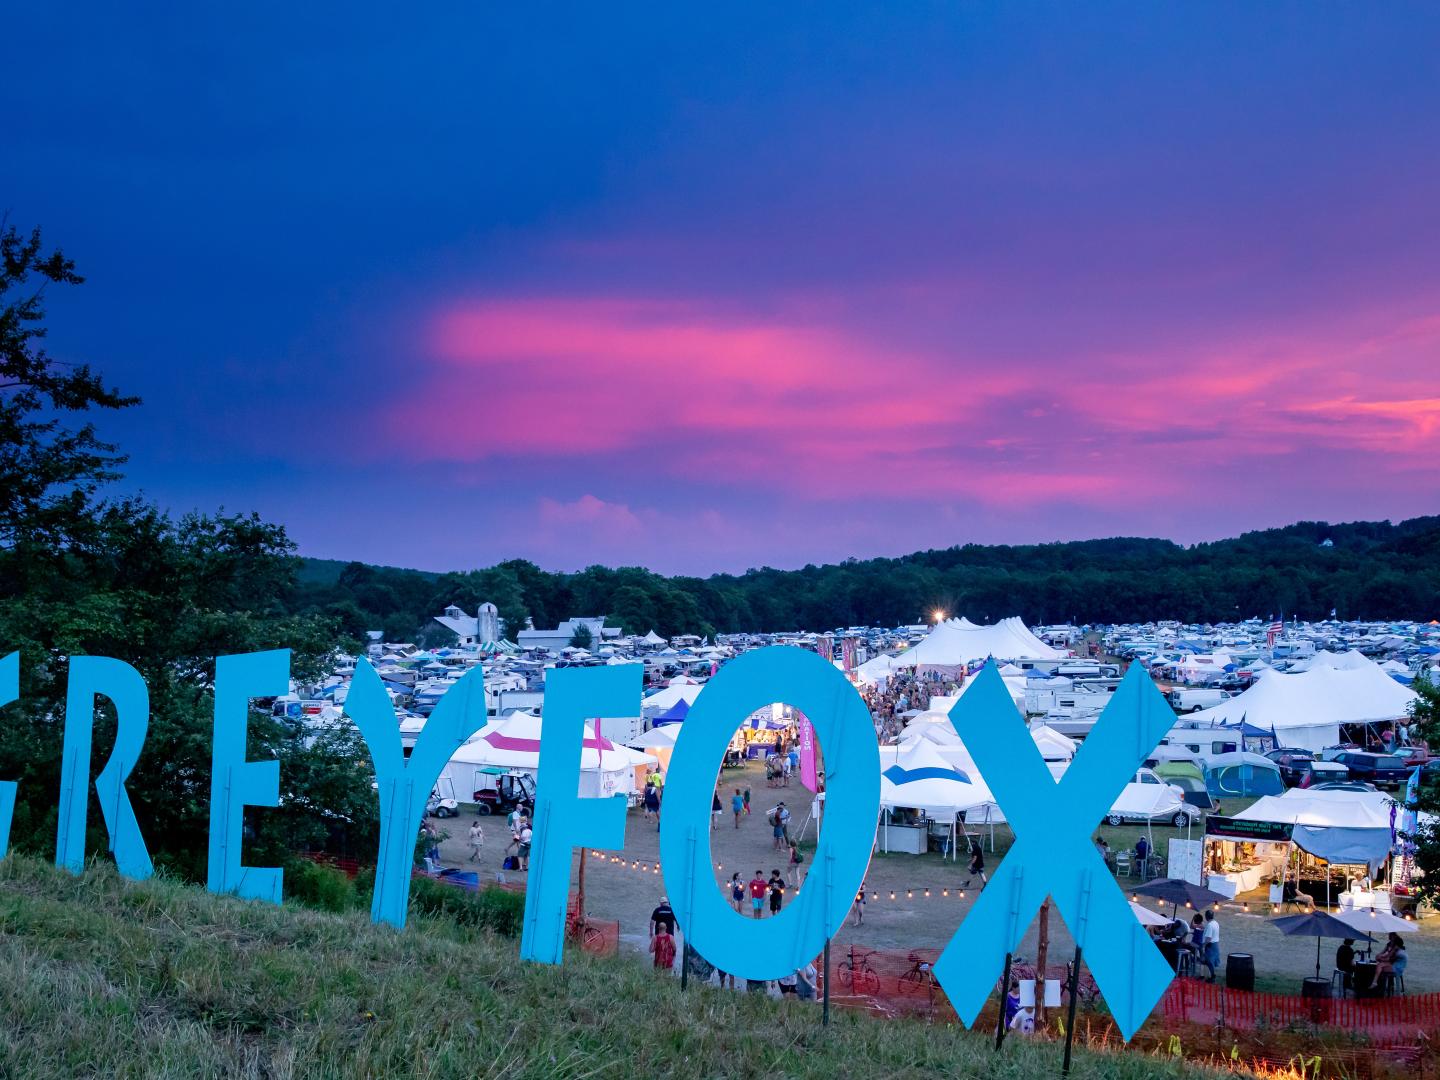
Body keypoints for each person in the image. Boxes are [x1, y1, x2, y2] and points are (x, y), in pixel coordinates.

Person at [1201, 909, 1220, 982]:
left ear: (1206, 916)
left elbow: (1208, 938)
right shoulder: (1216, 923)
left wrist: (1203, 945)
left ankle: (1212, 977)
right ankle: (1212, 976)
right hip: (1215, 944)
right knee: (1210, 962)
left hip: (1210, 945)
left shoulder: (1209, 925)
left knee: (1209, 962)